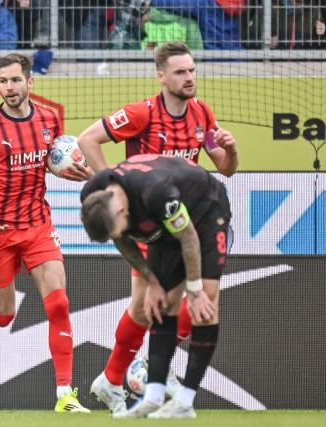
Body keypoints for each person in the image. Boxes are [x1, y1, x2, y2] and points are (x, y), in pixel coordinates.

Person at [77, 41, 237, 415]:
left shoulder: (203, 116)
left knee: (185, 300)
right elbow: (87, 139)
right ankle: (122, 375)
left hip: (182, 214)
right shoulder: (140, 114)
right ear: (161, 76)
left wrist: (231, 150)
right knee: (146, 303)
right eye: (181, 72)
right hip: (149, 216)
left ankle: (128, 374)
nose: (189, 77)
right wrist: (112, 183)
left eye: (192, 70)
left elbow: (225, 167)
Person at [0, 53, 90, 413]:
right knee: (3, 317)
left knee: (58, 303)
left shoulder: (49, 119)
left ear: (31, 82)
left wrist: (70, 171)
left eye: (16, 80)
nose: (9, 87)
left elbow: (50, 158)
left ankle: (65, 395)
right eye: (3, 81)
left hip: (37, 226)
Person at [80, 154, 231, 418]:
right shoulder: (94, 194)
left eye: (119, 229)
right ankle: (154, 396)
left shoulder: (157, 194)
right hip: (161, 225)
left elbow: (189, 238)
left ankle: (184, 401)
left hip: (205, 213)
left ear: (119, 210)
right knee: (161, 303)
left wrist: (194, 290)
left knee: (205, 302)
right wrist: (151, 281)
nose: (121, 236)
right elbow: (122, 239)